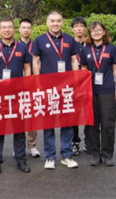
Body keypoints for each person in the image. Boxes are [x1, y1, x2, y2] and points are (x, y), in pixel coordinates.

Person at [31, 10, 79, 170]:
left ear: (62, 22)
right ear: (47, 23)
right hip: (48, 88)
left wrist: (76, 80)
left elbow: (74, 60)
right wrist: (37, 82)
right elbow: (35, 62)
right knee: (49, 123)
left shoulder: (70, 39)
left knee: (67, 122)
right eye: (52, 21)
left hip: (66, 88)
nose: (55, 23)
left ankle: (66, 155)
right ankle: (50, 157)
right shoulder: (39, 40)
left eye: (58, 21)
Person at [0, 19, 32, 174]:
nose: (6, 30)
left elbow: (27, 67)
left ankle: (21, 160)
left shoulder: (22, 48)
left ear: (14, 29)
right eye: (3, 28)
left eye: (9, 27)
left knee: (19, 129)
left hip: (18, 93)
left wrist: (27, 82)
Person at [77, 21, 116, 167]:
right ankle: (95, 154)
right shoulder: (85, 49)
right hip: (90, 91)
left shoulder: (111, 48)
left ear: (104, 32)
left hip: (107, 90)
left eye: (99, 30)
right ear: (90, 33)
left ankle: (108, 155)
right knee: (92, 124)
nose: (96, 33)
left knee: (108, 124)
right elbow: (83, 67)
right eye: (93, 30)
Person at [17, 18, 41, 158]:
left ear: (31, 30)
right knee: (18, 116)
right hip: (17, 85)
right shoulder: (14, 45)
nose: (26, 30)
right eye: (23, 28)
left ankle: (32, 145)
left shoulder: (36, 46)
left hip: (33, 84)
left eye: (28, 28)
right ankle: (18, 147)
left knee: (32, 115)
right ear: (19, 29)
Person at [70, 16, 88, 156]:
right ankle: (75, 142)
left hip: (89, 82)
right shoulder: (69, 43)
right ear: (72, 29)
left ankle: (89, 141)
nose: (79, 29)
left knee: (89, 112)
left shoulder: (91, 44)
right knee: (74, 114)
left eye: (81, 26)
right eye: (76, 26)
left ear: (85, 28)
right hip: (73, 84)